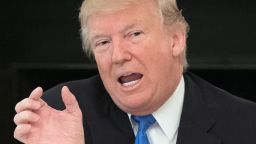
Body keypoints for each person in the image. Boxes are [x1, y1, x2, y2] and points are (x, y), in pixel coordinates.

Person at [13, 0, 256, 143]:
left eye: (134, 35)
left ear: (175, 40)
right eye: (103, 43)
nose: (118, 56)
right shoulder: (56, 111)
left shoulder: (246, 125)